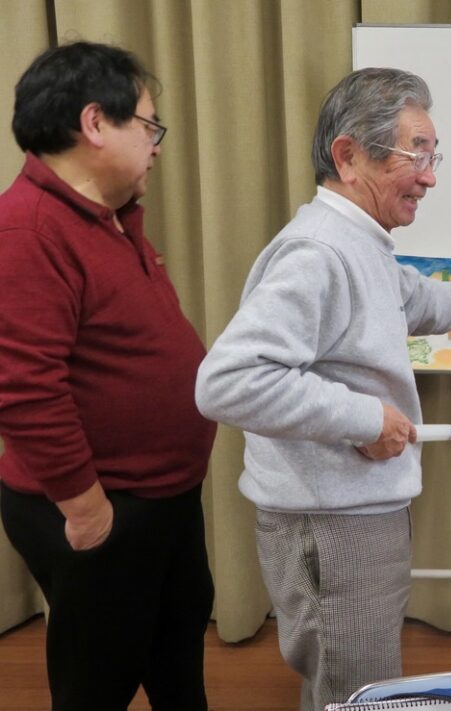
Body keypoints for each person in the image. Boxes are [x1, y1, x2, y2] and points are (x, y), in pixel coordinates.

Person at [194, 67, 451, 711]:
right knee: (355, 692)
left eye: (433, 156)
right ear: (349, 156)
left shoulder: (361, 244)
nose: (430, 177)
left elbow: (417, 298)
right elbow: (230, 382)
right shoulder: (320, 252)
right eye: (417, 153)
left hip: (352, 513)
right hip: (332, 525)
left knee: (355, 682)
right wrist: (365, 419)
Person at [0, 42, 215, 710]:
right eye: (149, 126)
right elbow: (23, 389)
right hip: (102, 505)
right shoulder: (26, 229)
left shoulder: (110, 220)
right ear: (95, 123)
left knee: (177, 659)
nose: (156, 145)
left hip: (160, 496)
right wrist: (87, 509)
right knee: (97, 684)